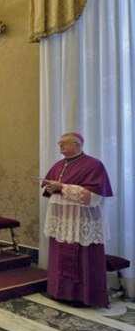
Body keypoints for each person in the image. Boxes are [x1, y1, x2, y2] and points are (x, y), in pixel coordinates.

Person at [42, 132, 112, 308]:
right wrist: (51, 188)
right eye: (59, 144)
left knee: (82, 258)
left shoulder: (94, 165)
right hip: (61, 221)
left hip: (82, 221)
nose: (60, 146)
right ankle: (59, 292)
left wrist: (62, 187)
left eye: (64, 144)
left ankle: (83, 297)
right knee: (59, 254)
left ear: (77, 145)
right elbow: (48, 189)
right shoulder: (58, 165)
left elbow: (94, 197)